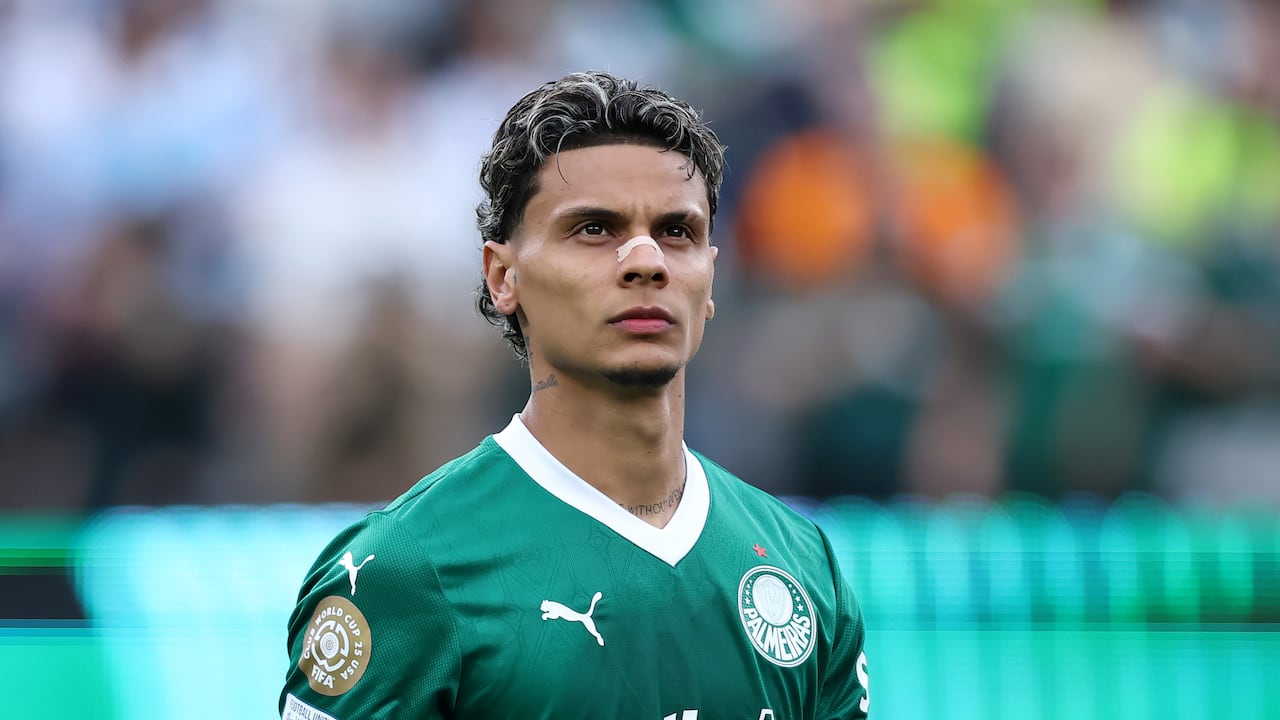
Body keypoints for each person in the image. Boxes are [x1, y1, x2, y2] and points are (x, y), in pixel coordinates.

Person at [279, 70, 871, 720]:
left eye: (678, 232)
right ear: (504, 277)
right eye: (595, 229)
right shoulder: (401, 572)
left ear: (710, 280)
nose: (646, 260)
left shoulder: (800, 562)